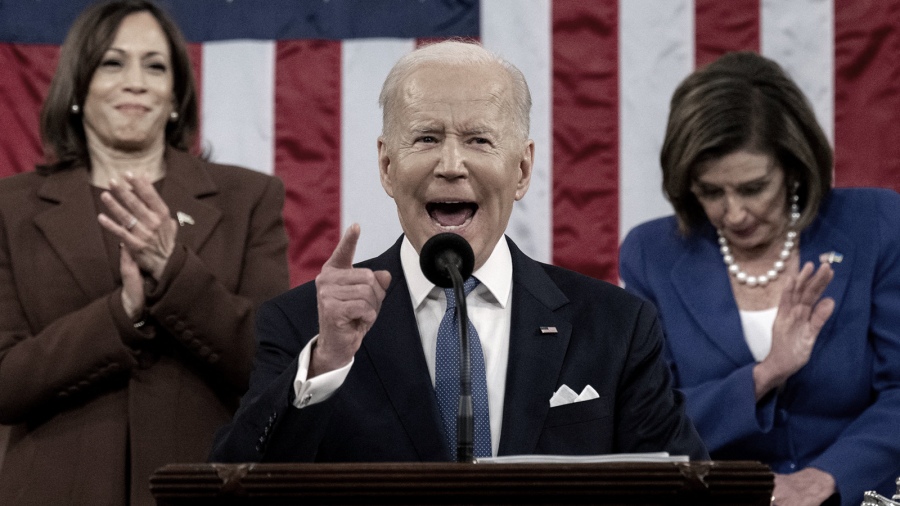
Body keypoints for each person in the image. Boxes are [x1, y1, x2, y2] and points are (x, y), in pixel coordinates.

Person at [209, 40, 707, 465]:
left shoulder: (616, 327)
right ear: (386, 165)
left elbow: (683, 487)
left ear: (522, 169)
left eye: (478, 139)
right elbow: (235, 485)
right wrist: (327, 363)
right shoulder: (305, 328)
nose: (451, 164)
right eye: (426, 138)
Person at [0, 1, 289, 505]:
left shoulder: (249, 199)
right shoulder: (11, 207)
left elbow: (269, 367)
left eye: (155, 66)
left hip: (201, 488)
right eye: (113, 62)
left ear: (175, 93)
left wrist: (173, 272)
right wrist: (121, 314)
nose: (135, 81)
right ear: (78, 86)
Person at [619, 51, 900, 506]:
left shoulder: (876, 224)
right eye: (710, 191)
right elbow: (648, 423)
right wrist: (766, 373)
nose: (734, 213)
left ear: (792, 167)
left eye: (752, 188)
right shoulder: (652, 254)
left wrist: (826, 478)